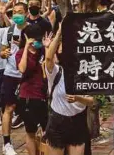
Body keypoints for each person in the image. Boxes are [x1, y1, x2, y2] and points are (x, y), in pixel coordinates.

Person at [44, 27, 94, 155]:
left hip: (78, 123)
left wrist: (78, 98)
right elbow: (49, 59)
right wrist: (60, 32)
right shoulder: (56, 72)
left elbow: (91, 101)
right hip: (57, 122)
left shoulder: (86, 74)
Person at [0, 2, 28, 155]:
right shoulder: (8, 31)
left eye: (20, 12)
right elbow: (2, 52)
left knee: (28, 110)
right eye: (14, 12)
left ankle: (32, 141)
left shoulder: (32, 30)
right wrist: (4, 53)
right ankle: (6, 143)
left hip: (28, 76)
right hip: (10, 74)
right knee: (8, 108)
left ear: (26, 13)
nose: (17, 15)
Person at [17, 24, 48, 155]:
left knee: (47, 130)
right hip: (28, 97)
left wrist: (47, 47)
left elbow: (54, 63)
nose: (38, 42)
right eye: (35, 39)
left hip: (43, 96)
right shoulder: (20, 53)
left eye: (39, 39)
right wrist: (26, 49)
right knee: (30, 131)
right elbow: (22, 69)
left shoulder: (43, 51)